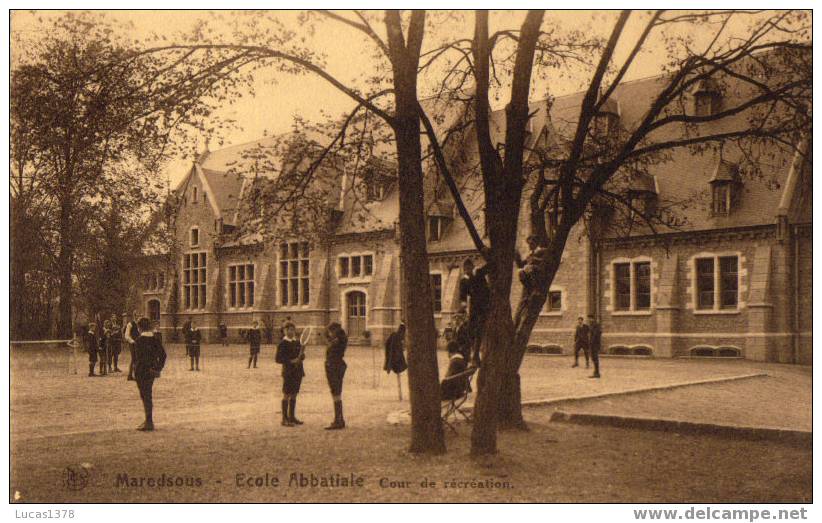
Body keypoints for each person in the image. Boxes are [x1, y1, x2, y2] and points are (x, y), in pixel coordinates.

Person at [133, 316, 167, 431]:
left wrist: (135, 372)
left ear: (140, 328)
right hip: (151, 372)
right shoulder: (155, 339)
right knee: (148, 395)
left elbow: (138, 359)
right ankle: (148, 420)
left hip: (142, 371)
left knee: (145, 396)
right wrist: (157, 368)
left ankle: (149, 421)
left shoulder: (138, 341)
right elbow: (163, 355)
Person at [459, 258, 491, 367]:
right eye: (464, 269)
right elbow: (463, 295)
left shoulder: (478, 272)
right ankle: (473, 355)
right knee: (471, 330)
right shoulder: (464, 280)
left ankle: (477, 354)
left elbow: (490, 266)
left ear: (471, 267)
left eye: (468, 268)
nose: (466, 271)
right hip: (474, 306)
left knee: (480, 329)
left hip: (484, 304)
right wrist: (463, 304)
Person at [276, 322, 305, 427]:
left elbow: (301, 356)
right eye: (289, 330)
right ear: (284, 331)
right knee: (287, 394)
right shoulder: (282, 343)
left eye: (293, 330)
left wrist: (301, 356)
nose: (291, 332)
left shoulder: (297, 342)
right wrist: (291, 361)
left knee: (294, 393)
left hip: (298, 372)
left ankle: (292, 416)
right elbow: (278, 359)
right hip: (288, 372)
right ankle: (284, 418)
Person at [324, 322, 348, 430]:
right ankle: (339, 419)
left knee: (336, 393)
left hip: (334, 367)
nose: (329, 334)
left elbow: (331, 353)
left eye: (330, 331)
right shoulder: (340, 340)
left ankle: (338, 420)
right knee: (337, 393)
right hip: (338, 366)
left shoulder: (336, 342)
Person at [123, 311, 140, 381]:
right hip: (132, 343)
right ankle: (131, 375)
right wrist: (132, 341)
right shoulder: (130, 324)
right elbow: (126, 335)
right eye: (136, 315)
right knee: (134, 359)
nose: (138, 317)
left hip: (139, 343)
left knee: (137, 359)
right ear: (134, 316)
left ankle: (133, 375)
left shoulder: (140, 324)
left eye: (139, 315)